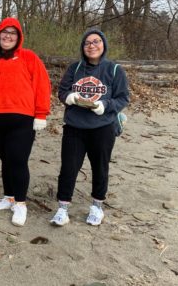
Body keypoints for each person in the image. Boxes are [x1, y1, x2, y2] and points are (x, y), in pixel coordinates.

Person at [0, 17, 52, 226]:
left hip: (22, 118)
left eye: (13, 33)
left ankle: (20, 204)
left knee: (17, 159)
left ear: (18, 37)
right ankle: (9, 197)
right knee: (6, 158)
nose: (8, 36)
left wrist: (41, 113)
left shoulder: (28, 57)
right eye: (5, 32)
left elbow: (42, 84)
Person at [50, 28, 130, 226]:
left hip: (103, 127)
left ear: (103, 45)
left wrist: (105, 105)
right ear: (82, 47)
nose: (92, 46)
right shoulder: (74, 69)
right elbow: (62, 91)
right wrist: (70, 97)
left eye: (96, 42)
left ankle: (96, 206)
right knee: (69, 168)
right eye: (87, 43)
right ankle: (62, 209)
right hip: (74, 126)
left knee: (100, 167)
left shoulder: (114, 70)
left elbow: (123, 98)